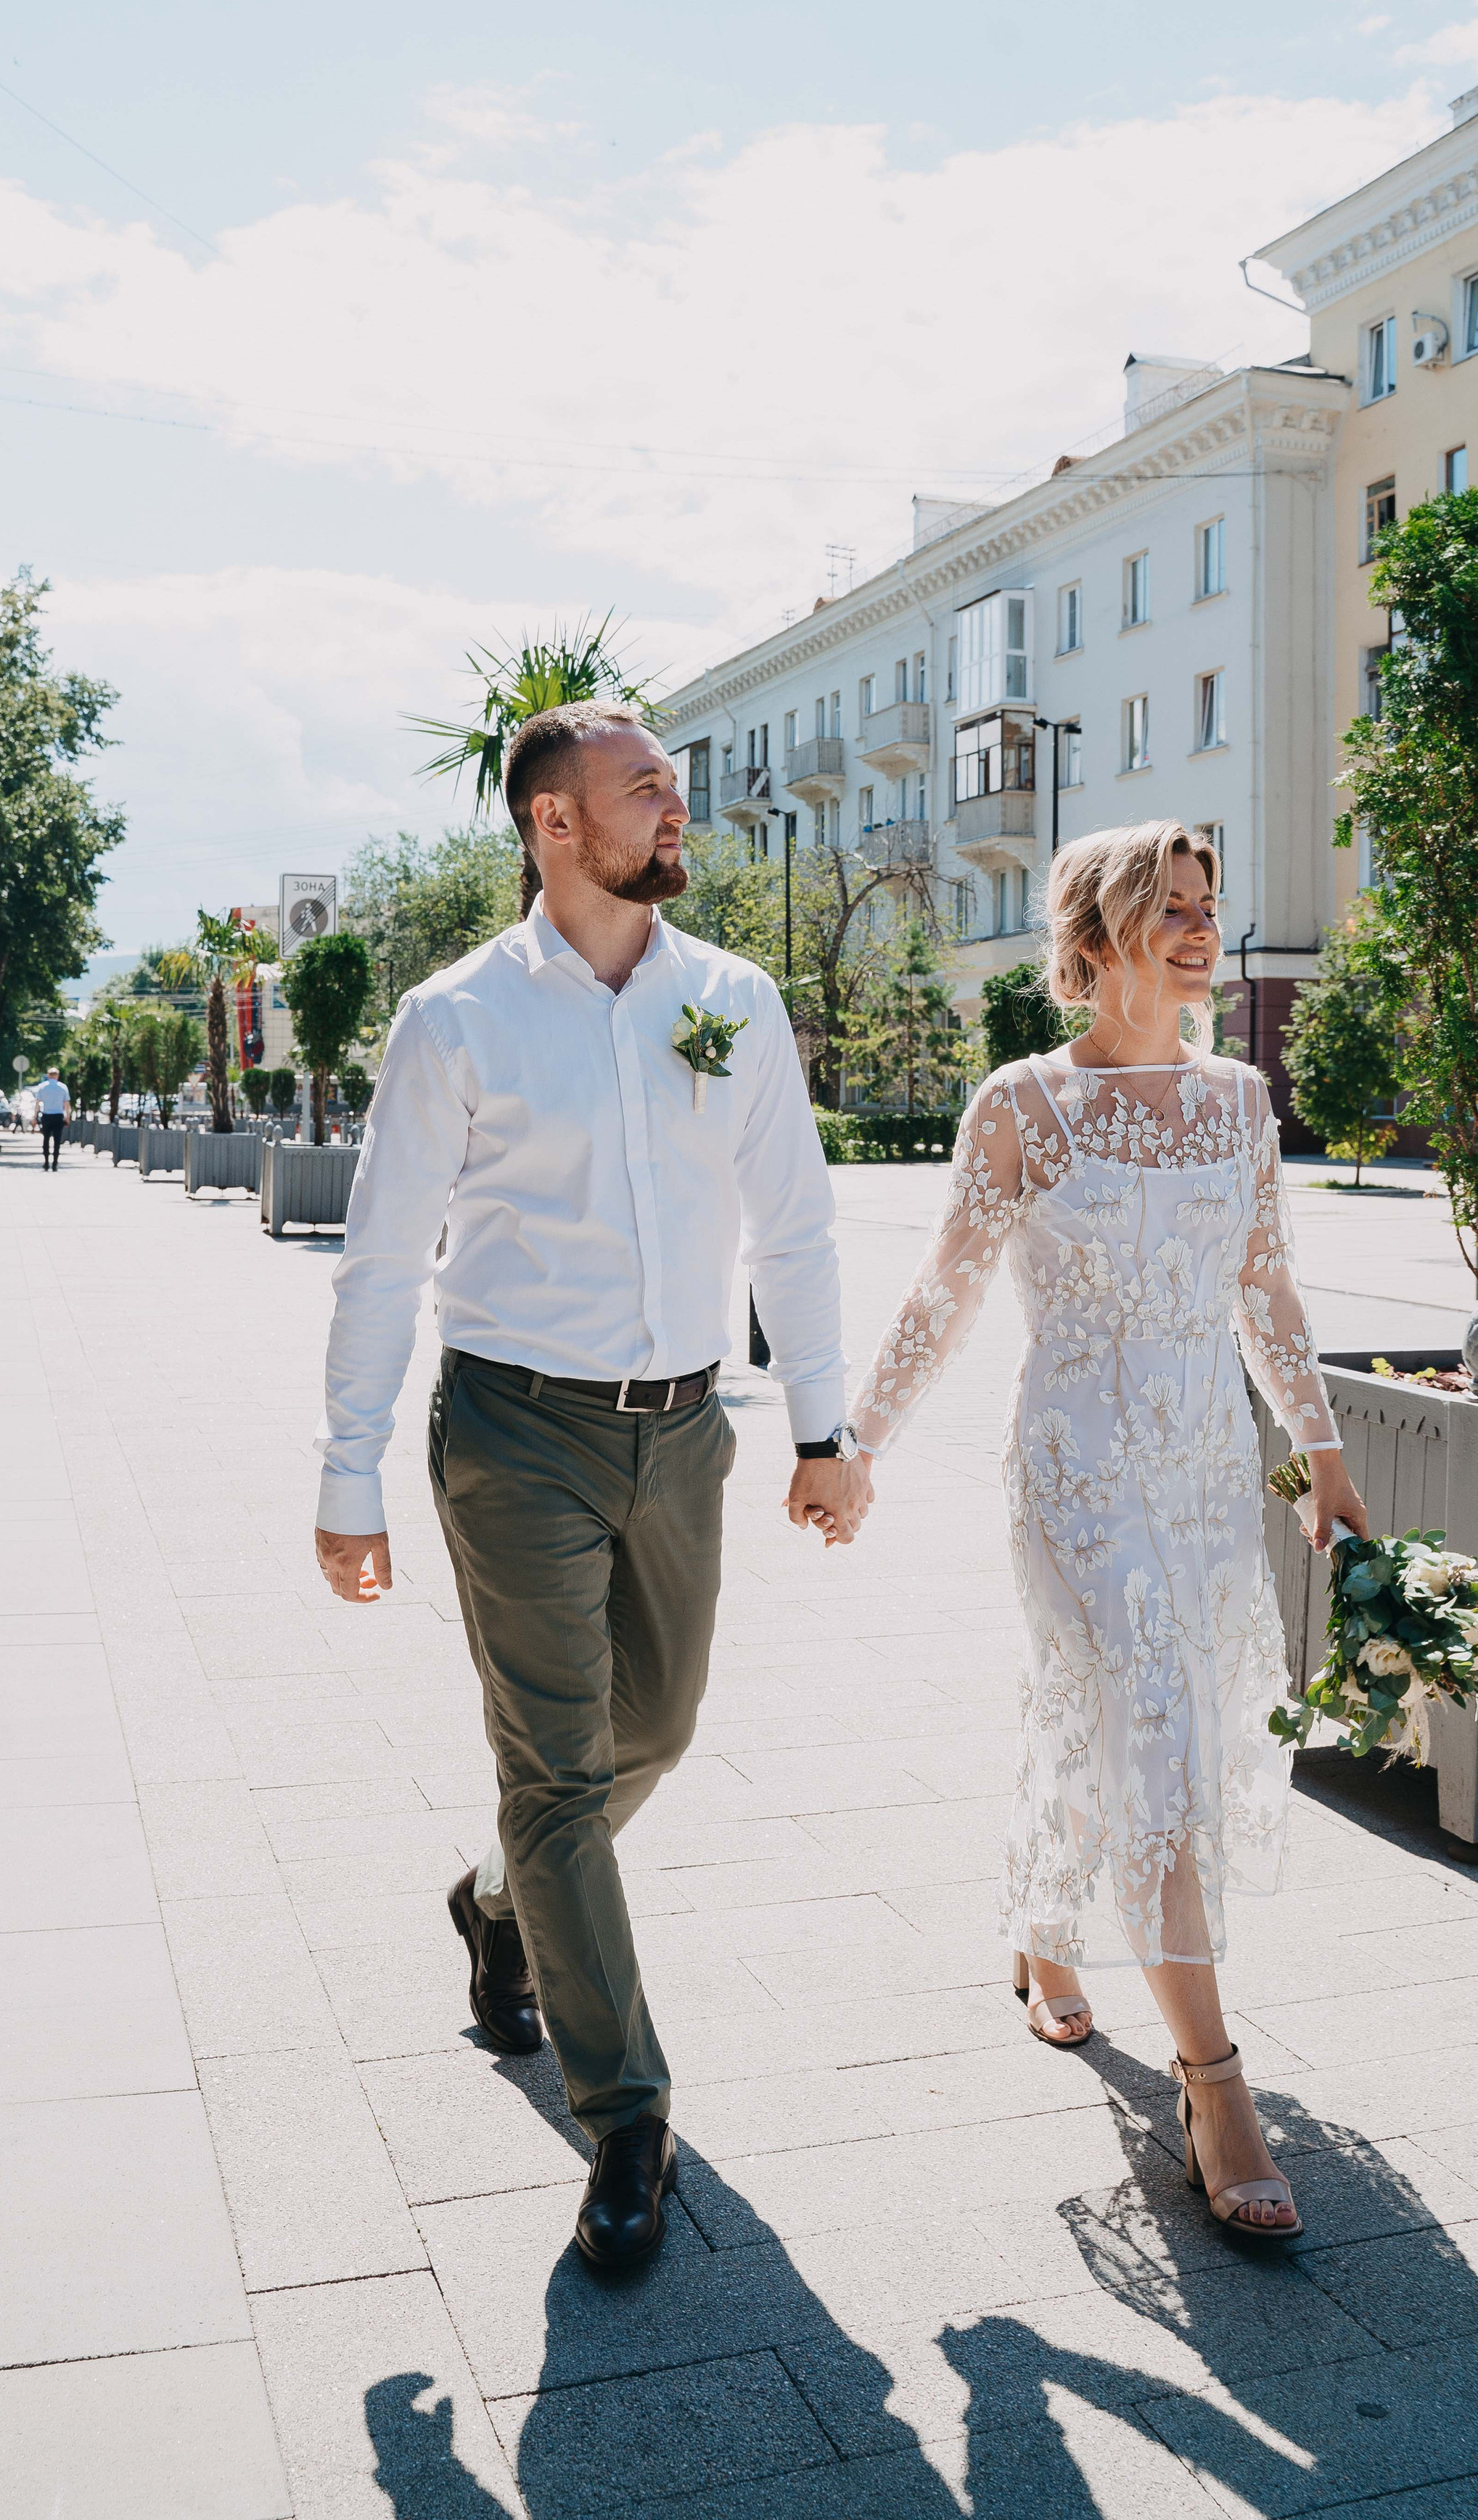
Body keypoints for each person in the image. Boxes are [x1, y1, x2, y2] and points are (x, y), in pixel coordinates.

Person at [311, 702, 873, 2272]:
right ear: (552, 824)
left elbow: (798, 1228)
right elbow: (379, 1259)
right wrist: (345, 1474)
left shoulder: (729, 999)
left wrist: (822, 1433)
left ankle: (499, 1901)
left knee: (660, 1729)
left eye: (669, 789)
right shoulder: (458, 1017)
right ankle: (624, 2112)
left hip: (684, 1430)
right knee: (558, 1766)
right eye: (641, 791)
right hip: (514, 1436)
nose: (670, 808)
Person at [853, 819, 1367, 2246]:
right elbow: (940, 1296)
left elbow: (1264, 1294)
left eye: (1209, 908)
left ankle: (1037, 1919)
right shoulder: (1022, 1108)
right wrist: (854, 1445)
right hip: (1074, 1476)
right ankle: (1215, 2087)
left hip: (1204, 1470)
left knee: (1138, 1723)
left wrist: (1319, 1452)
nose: (1203, 932)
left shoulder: (1237, 1101)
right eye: (1173, 910)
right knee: (1154, 1742)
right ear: (1096, 942)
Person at [33, 1064, 70, 1171]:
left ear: (48, 1076)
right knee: (57, 1140)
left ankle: (46, 1162)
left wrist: (34, 1118)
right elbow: (67, 1104)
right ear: (57, 1076)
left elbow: (37, 1104)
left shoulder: (42, 1087)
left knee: (46, 1139)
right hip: (58, 1116)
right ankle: (55, 1163)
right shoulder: (63, 1087)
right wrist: (67, 1117)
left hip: (47, 1116)